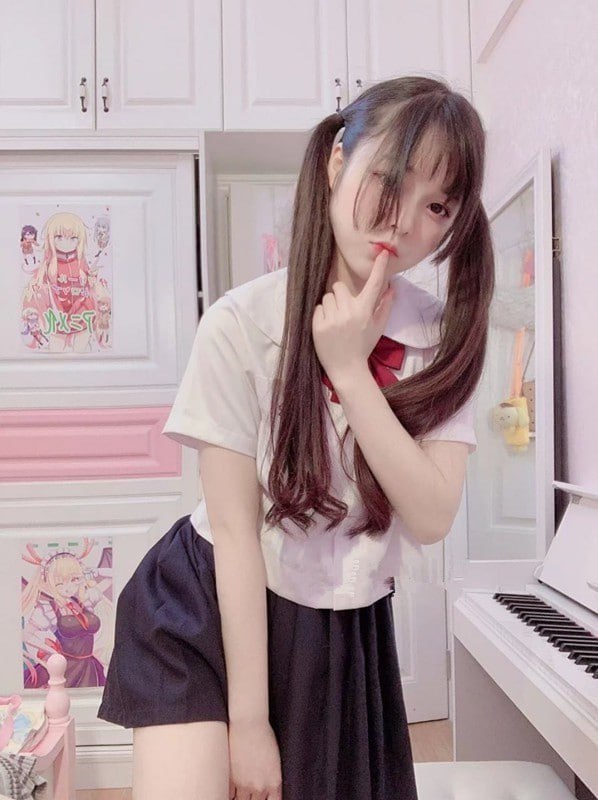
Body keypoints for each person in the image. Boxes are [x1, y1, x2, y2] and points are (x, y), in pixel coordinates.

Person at [97, 75, 494, 800]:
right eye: (389, 180)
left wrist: (348, 369)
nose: (404, 222)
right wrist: (249, 724)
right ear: (337, 161)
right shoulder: (240, 323)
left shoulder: (439, 336)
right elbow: (234, 530)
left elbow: (433, 514)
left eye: (437, 205)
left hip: (341, 625)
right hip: (207, 600)